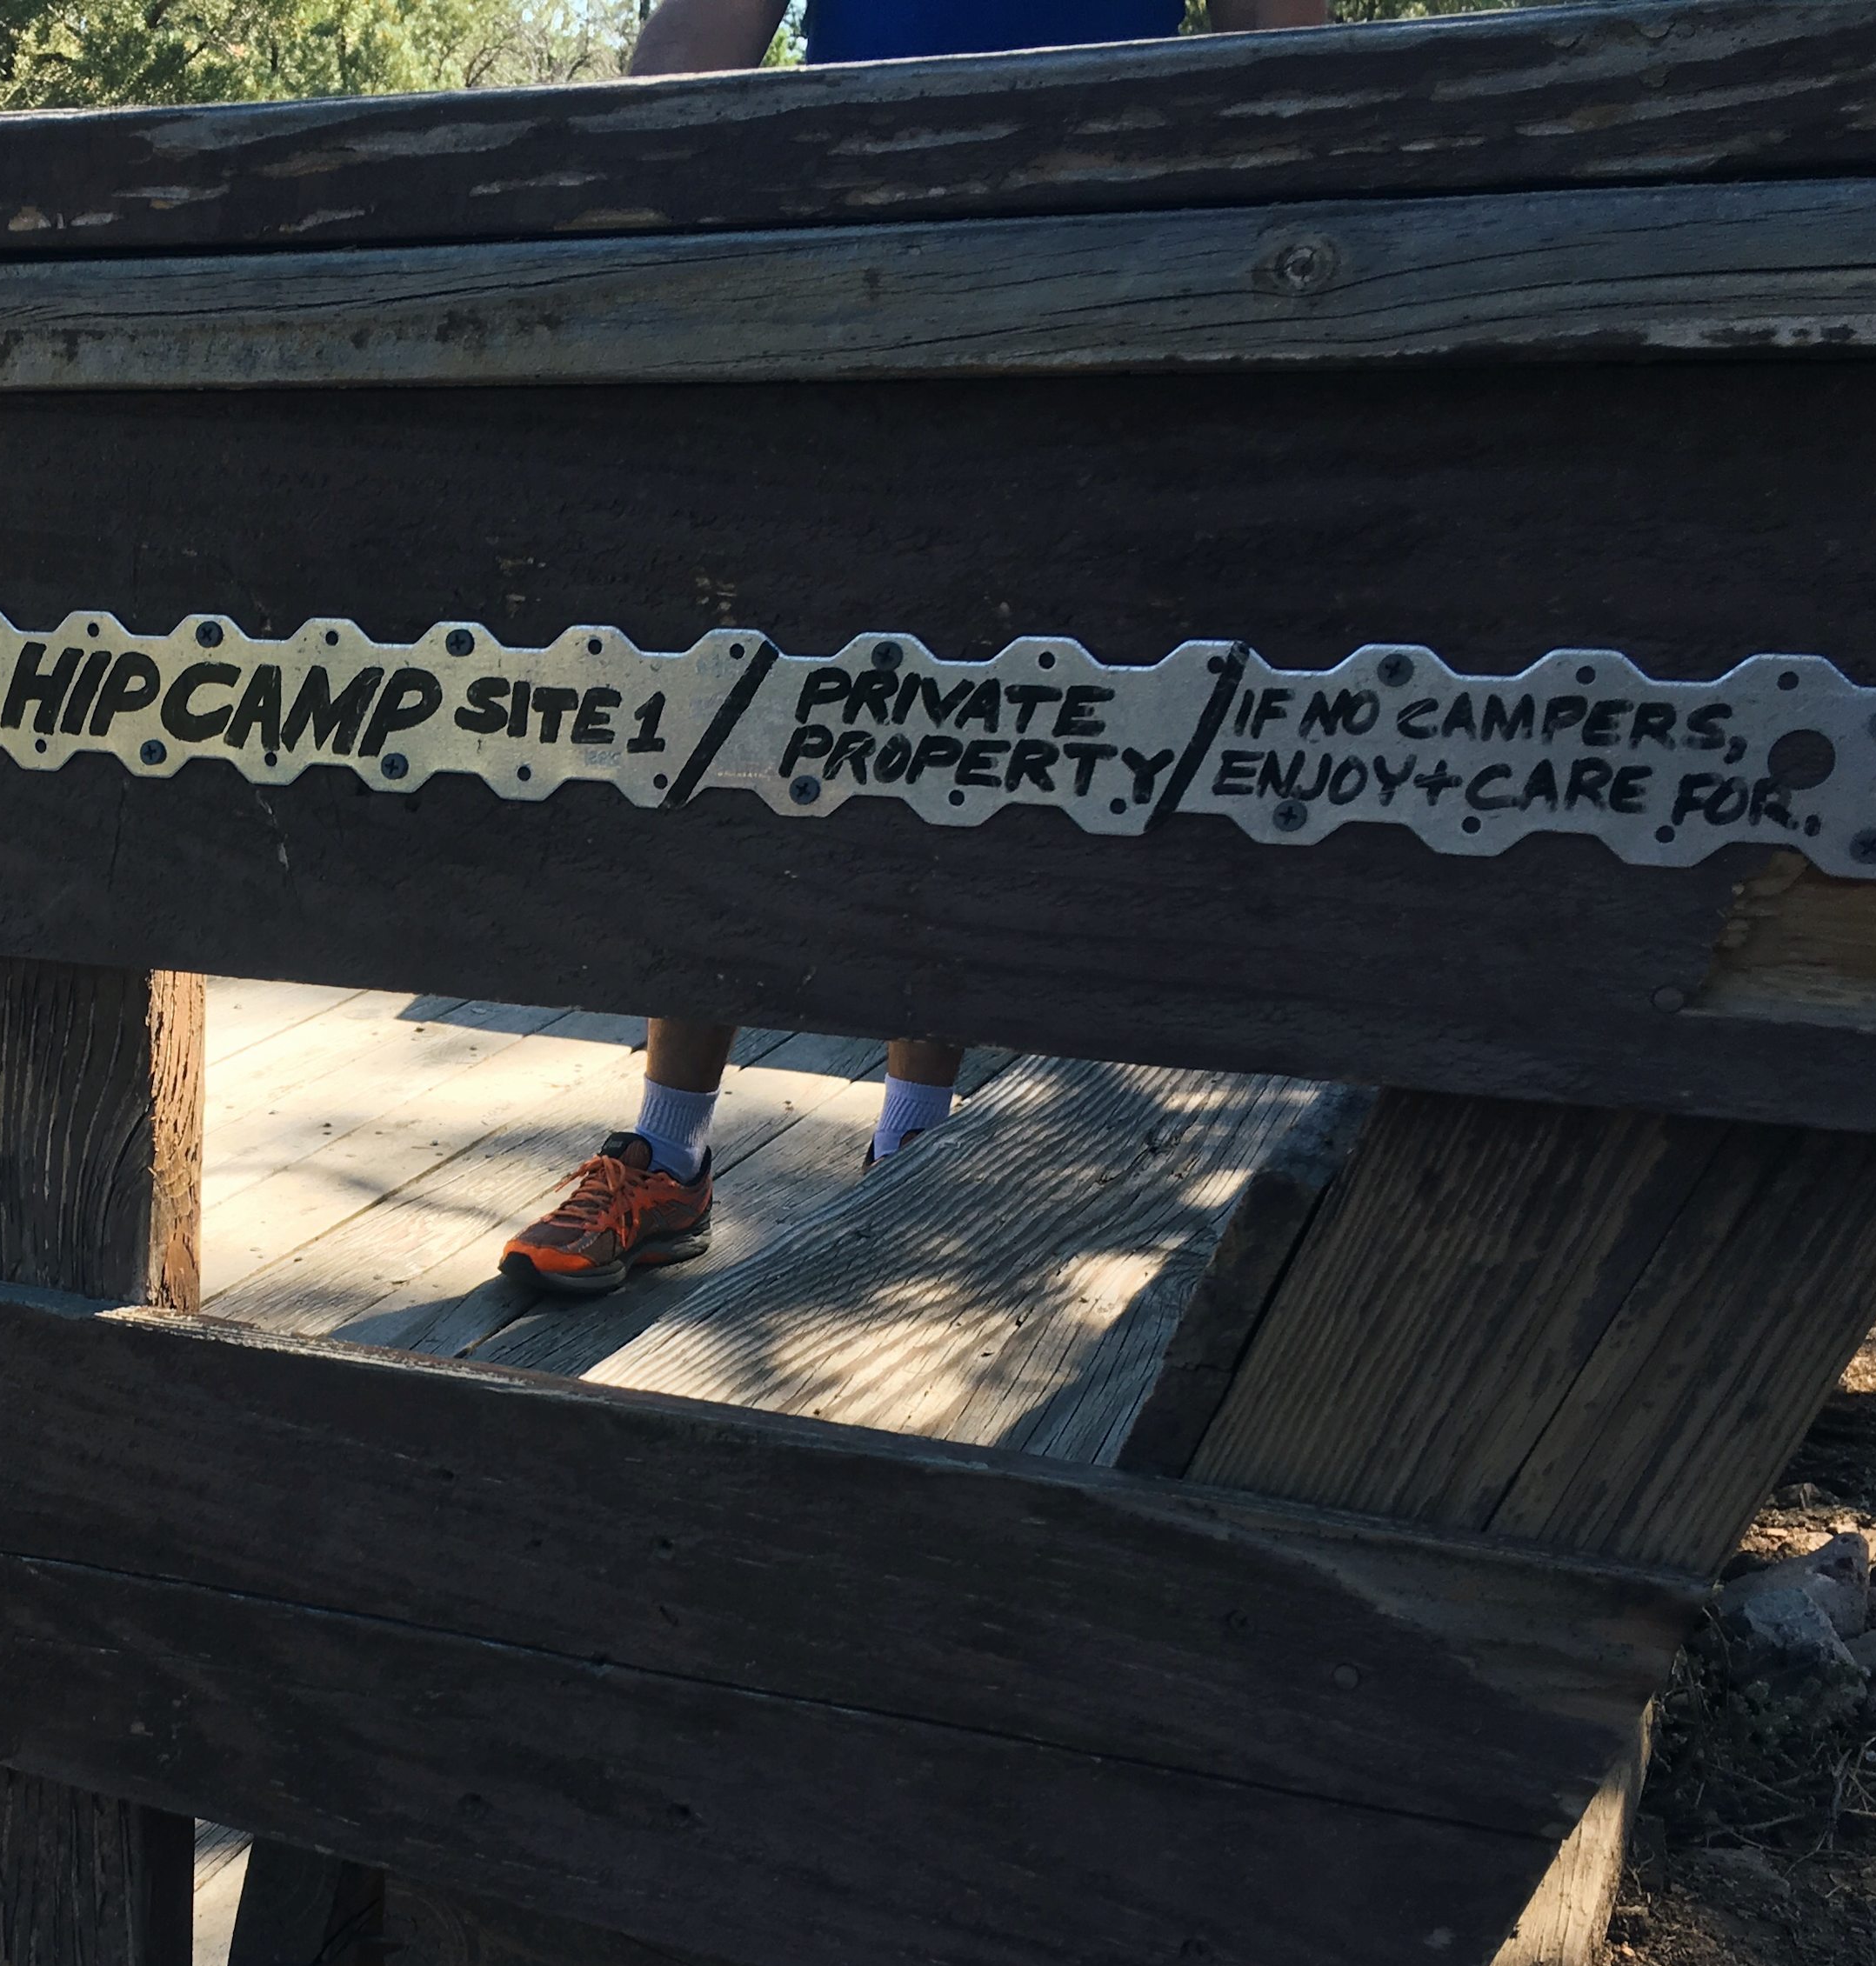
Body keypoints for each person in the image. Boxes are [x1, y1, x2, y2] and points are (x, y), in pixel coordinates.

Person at [496, 0, 1325, 1296]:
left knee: (972, 725)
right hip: (832, 288)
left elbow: (1293, 65)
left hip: (1092, 298)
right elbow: (689, 54)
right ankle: (668, 1152)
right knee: (732, 701)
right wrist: (621, 244)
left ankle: (914, 1149)